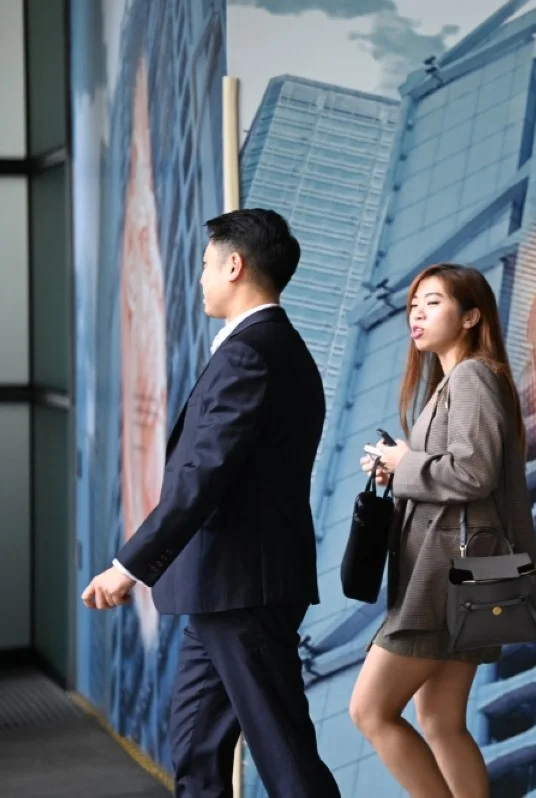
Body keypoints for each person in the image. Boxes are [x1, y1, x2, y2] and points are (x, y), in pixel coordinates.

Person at [81, 208, 340, 798]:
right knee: (197, 748)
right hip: (223, 588)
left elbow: (202, 476)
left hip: (242, 588)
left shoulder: (254, 352)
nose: (199, 279)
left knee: (284, 754)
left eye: (204, 266)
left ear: (234, 264)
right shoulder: (271, 347)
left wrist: (128, 568)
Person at [349, 263, 536, 797]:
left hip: (442, 579)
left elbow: (473, 471)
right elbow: (459, 471)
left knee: (370, 710)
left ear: (471, 316)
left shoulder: (473, 376)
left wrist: (406, 460)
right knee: (439, 721)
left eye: (433, 302)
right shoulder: (457, 380)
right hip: (461, 576)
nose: (418, 313)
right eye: (414, 305)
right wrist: (401, 468)